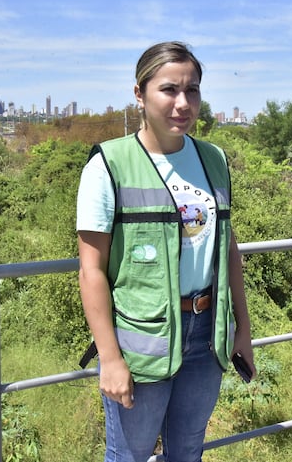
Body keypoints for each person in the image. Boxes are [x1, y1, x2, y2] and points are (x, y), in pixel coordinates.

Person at [76, 41, 256, 462]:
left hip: (206, 334)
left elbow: (227, 249)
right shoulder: (108, 164)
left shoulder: (213, 159)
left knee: (189, 449)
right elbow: (91, 271)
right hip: (142, 341)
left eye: (192, 90)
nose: (183, 103)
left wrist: (241, 329)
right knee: (131, 454)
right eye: (169, 90)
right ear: (139, 94)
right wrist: (110, 359)